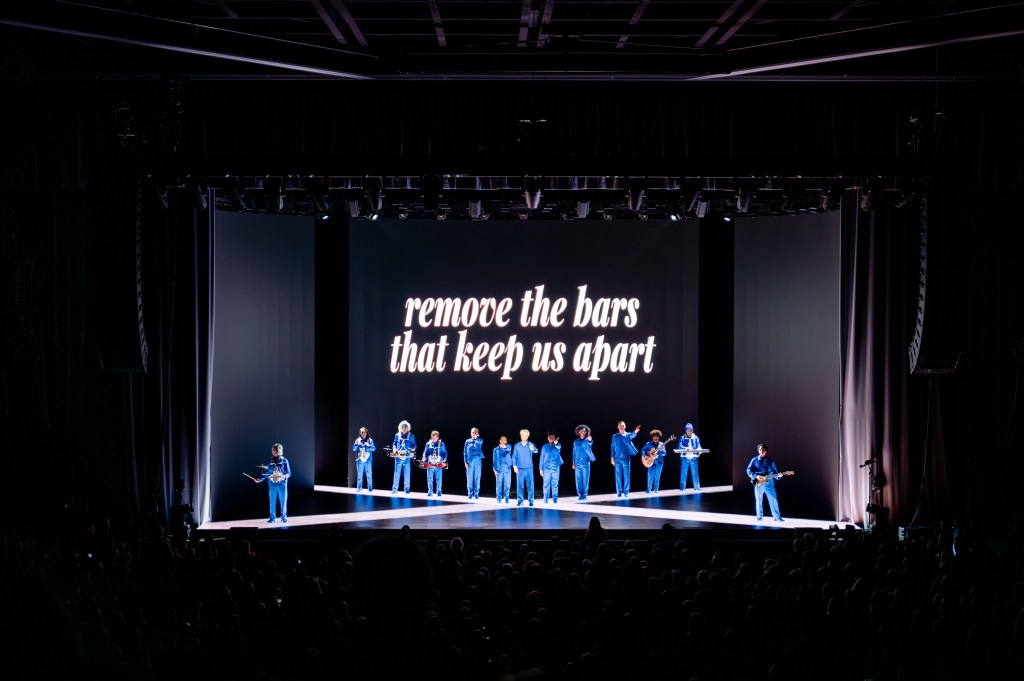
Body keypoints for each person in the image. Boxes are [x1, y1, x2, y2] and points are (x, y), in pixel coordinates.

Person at [746, 442, 784, 522]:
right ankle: (759, 517)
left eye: (763, 450)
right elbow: (749, 470)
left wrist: (778, 476)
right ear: (758, 451)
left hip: (769, 481)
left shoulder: (770, 461)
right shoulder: (754, 460)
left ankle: (777, 517)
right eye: (760, 449)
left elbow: (774, 472)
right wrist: (755, 476)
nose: (762, 451)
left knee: (773, 498)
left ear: (766, 451)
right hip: (759, 481)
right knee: (759, 499)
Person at [256, 443, 291, 523]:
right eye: (273, 450)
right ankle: (272, 518)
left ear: (279, 451)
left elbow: (289, 473)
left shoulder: (285, 460)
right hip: (272, 484)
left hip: (282, 484)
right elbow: (266, 472)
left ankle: (283, 517)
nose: (274, 452)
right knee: (272, 501)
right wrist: (260, 479)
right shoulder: (269, 461)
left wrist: (284, 476)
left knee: (283, 501)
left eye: (275, 450)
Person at [610, 420, 640, 497]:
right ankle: (619, 492)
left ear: (625, 426)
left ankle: (626, 492)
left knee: (626, 475)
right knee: (618, 476)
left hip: (626, 457)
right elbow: (612, 448)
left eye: (623, 425)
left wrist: (635, 432)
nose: (622, 427)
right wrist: (612, 458)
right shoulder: (614, 436)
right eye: (620, 425)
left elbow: (632, 435)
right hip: (617, 458)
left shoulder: (628, 435)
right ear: (618, 427)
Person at [512, 429, 539, 507]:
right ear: (520, 436)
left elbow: (536, 451)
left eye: (525, 435)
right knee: (520, 485)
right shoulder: (517, 445)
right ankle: (520, 501)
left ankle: (531, 501)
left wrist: (532, 448)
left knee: (530, 485)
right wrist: (514, 466)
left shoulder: (530, 444)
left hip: (529, 468)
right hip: (519, 468)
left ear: (528, 436)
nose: (524, 436)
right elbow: (514, 456)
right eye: (522, 435)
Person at [571, 424, 596, 501]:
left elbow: (590, 443)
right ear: (578, 431)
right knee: (578, 480)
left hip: (585, 463)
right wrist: (573, 463)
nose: (582, 431)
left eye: (584, 431)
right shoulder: (575, 442)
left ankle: (584, 495)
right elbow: (574, 453)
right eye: (581, 430)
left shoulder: (587, 440)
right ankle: (580, 495)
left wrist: (589, 440)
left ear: (586, 432)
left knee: (585, 479)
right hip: (578, 463)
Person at [391, 420, 417, 494]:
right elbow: (394, 444)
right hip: (398, 455)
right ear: (400, 427)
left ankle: (407, 489)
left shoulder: (411, 436)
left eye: (405, 427)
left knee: (407, 473)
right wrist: (394, 450)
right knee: (397, 473)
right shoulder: (397, 435)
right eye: (403, 427)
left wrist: (413, 448)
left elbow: (414, 445)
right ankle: (394, 489)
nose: (404, 428)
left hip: (407, 456)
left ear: (408, 428)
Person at [539, 430, 563, 503]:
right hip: (546, 467)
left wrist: (556, 444)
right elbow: (541, 458)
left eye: (553, 437)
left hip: (555, 467)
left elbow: (558, 449)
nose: (551, 438)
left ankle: (555, 499)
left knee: (555, 483)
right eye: (550, 437)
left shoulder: (557, 445)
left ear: (554, 438)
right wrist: (540, 469)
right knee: (546, 483)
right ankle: (545, 499)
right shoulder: (544, 446)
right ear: (547, 438)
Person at [641, 429, 668, 494]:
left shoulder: (661, 444)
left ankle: (656, 490)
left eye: (657, 438)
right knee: (650, 475)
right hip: (650, 461)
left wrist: (662, 451)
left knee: (657, 476)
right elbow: (643, 450)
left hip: (659, 462)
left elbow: (664, 454)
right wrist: (645, 456)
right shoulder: (648, 444)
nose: (656, 439)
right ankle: (648, 490)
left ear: (659, 437)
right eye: (655, 437)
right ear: (652, 437)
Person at [679, 422, 702, 491]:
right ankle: (682, 488)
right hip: (685, 458)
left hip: (693, 457)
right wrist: (686, 449)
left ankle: (697, 487)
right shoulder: (682, 437)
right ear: (685, 430)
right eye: (688, 430)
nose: (689, 431)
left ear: (692, 430)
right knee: (683, 473)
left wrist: (699, 450)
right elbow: (679, 446)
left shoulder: (696, 438)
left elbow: (699, 446)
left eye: (690, 430)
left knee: (695, 473)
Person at [424, 430, 448, 497]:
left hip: (438, 463)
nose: (434, 438)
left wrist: (444, 458)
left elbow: (445, 453)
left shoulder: (442, 444)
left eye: (435, 437)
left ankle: (439, 491)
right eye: (433, 437)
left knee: (439, 478)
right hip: (430, 463)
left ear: (438, 437)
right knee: (430, 478)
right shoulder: (428, 444)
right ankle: (430, 491)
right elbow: (425, 453)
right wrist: (425, 459)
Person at [463, 427, 485, 500]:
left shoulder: (480, 440)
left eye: (475, 432)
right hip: (470, 461)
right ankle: (470, 493)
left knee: (477, 477)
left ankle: (476, 493)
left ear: (478, 433)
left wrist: (476, 438)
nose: (474, 433)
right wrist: (465, 461)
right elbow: (465, 452)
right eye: (473, 432)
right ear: (470, 433)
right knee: (469, 478)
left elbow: (478, 446)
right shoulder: (467, 441)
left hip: (478, 461)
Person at [352, 427, 376, 492]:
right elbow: (353, 449)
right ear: (360, 433)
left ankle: (370, 488)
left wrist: (369, 445)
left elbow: (374, 449)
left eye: (364, 432)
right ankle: (359, 488)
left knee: (369, 474)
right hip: (360, 459)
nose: (363, 434)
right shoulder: (357, 440)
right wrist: (356, 444)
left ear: (366, 433)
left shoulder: (370, 440)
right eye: (362, 432)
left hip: (368, 460)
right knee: (360, 474)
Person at [493, 435, 513, 503]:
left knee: (507, 484)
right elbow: (494, 459)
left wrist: (504, 447)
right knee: (499, 484)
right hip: (499, 468)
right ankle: (499, 499)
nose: (503, 441)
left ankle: (506, 498)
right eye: (502, 439)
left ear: (506, 441)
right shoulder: (496, 449)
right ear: (500, 440)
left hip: (507, 468)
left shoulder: (508, 447)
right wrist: (494, 469)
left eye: (504, 440)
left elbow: (506, 451)